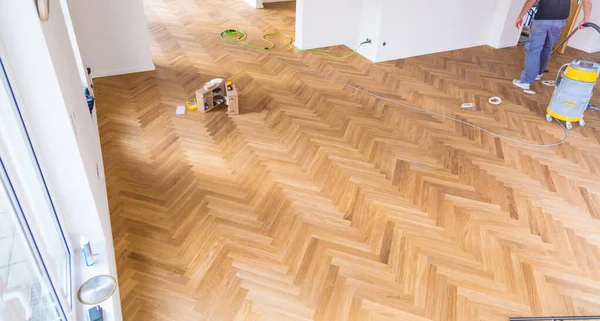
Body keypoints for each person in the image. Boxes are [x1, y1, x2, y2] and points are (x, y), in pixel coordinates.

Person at [513, 0, 592, 90]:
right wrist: (586, 18)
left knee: (533, 50)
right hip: (560, 21)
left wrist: (521, 16)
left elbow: (531, 1)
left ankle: (526, 81)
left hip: (542, 20)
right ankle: (538, 73)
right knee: (547, 47)